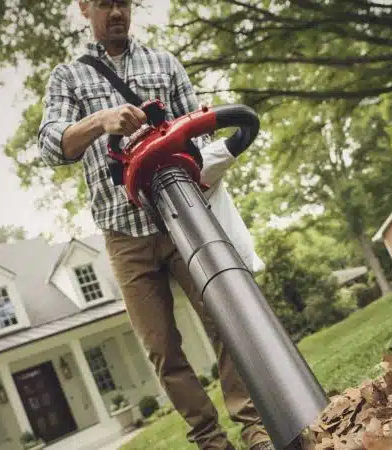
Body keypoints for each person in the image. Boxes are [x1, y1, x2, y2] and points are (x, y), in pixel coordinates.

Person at [37, 1, 274, 449]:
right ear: (85, 8)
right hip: (123, 234)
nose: (116, 12)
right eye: (104, 3)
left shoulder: (164, 64)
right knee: (162, 348)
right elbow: (52, 145)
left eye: (123, 3)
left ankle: (255, 426)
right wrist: (100, 120)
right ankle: (211, 440)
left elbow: (202, 137)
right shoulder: (68, 77)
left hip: (182, 215)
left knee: (226, 320)